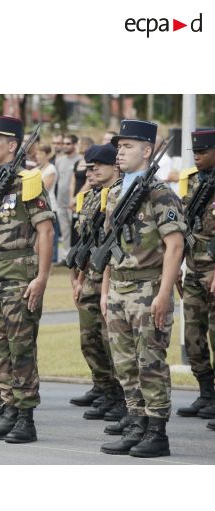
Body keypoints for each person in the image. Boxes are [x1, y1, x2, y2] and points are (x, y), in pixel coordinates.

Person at [99, 119, 185, 458]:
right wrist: (106, 291)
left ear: (148, 151)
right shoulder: (118, 192)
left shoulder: (161, 194)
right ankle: (135, 423)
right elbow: (109, 245)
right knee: (124, 363)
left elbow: (175, 246)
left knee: (150, 362)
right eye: (119, 146)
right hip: (119, 289)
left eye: (128, 146)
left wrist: (164, 294)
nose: (120, 152)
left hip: (149, 288)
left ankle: (156, 431)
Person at [0, 116, 55, 443]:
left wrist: (42, 277)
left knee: (20, 347)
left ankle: (25, 416)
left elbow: (45, 230)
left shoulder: (28, 181)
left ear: (13, 145)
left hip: (19, 274)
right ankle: (7, 407)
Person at [68, 145, 126, 423]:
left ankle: (120, 396)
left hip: (112, 277)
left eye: (96, 167)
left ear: (114, 166)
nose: (90, 172)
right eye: (88, 168)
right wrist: (77, 278)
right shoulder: (91, 197)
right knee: (90, 340)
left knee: (111, 340)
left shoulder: (124, 196)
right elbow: (85, 242)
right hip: (90, 276)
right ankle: (105, 389)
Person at [177, 129, 215, 428]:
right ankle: (206, 393)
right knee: (193, 335)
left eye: (203, 151)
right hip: (193, 269)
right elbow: (183, 226)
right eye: (194, 152)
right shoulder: (191, 181)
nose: (197, 155)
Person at [55, 134, 81, 263]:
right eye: (63, 144)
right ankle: (66, 257)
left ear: (75, 145)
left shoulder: (80, 160)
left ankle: (76, 257)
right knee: (65, 232)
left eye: (68, 144)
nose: (64, 146)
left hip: (74, 203)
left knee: (75, 231)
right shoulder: (59, 160)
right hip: (61, 202)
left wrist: (75, 199)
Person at [35, 144, 60, 263]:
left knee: (50, 236)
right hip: (37, 206)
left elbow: (43, 187)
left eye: (41, 154)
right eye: (37, 154)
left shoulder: (51, 169)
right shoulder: (37, 169)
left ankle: (51, 262)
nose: (38, 156)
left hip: (50, 206)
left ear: (47, 155)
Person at [68, 137, 94, 248]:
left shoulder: (90, 162)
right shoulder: (78, 162)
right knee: (74, 226)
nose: (76, 146)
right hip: (75, 199)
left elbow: (88, 183)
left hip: (85, 198)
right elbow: (72, 181)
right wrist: (71, 199)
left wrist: (76, 199)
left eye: (78, 144)